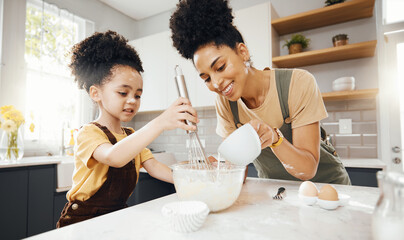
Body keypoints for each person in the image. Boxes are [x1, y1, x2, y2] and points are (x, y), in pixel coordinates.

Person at [169, 0, 351, 184]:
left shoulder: (298, 83)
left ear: (243, 52)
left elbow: (308, 169)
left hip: (329, 188)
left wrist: (275, 138)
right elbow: (237, 168)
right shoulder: (226, 104)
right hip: (277, 191)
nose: (215, 83)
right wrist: (217, 168)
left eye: (220, 67)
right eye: (206, 78)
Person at [57, 30, 199, 228]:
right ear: (96, 93)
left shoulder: (131, 137)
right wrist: (160, 122)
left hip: (117, 217)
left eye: (138, 95)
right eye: (123, 92)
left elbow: (155, 168)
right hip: (82, 221)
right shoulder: (88, 133)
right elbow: (114, 157)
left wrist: (193, 180)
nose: (132, 100)